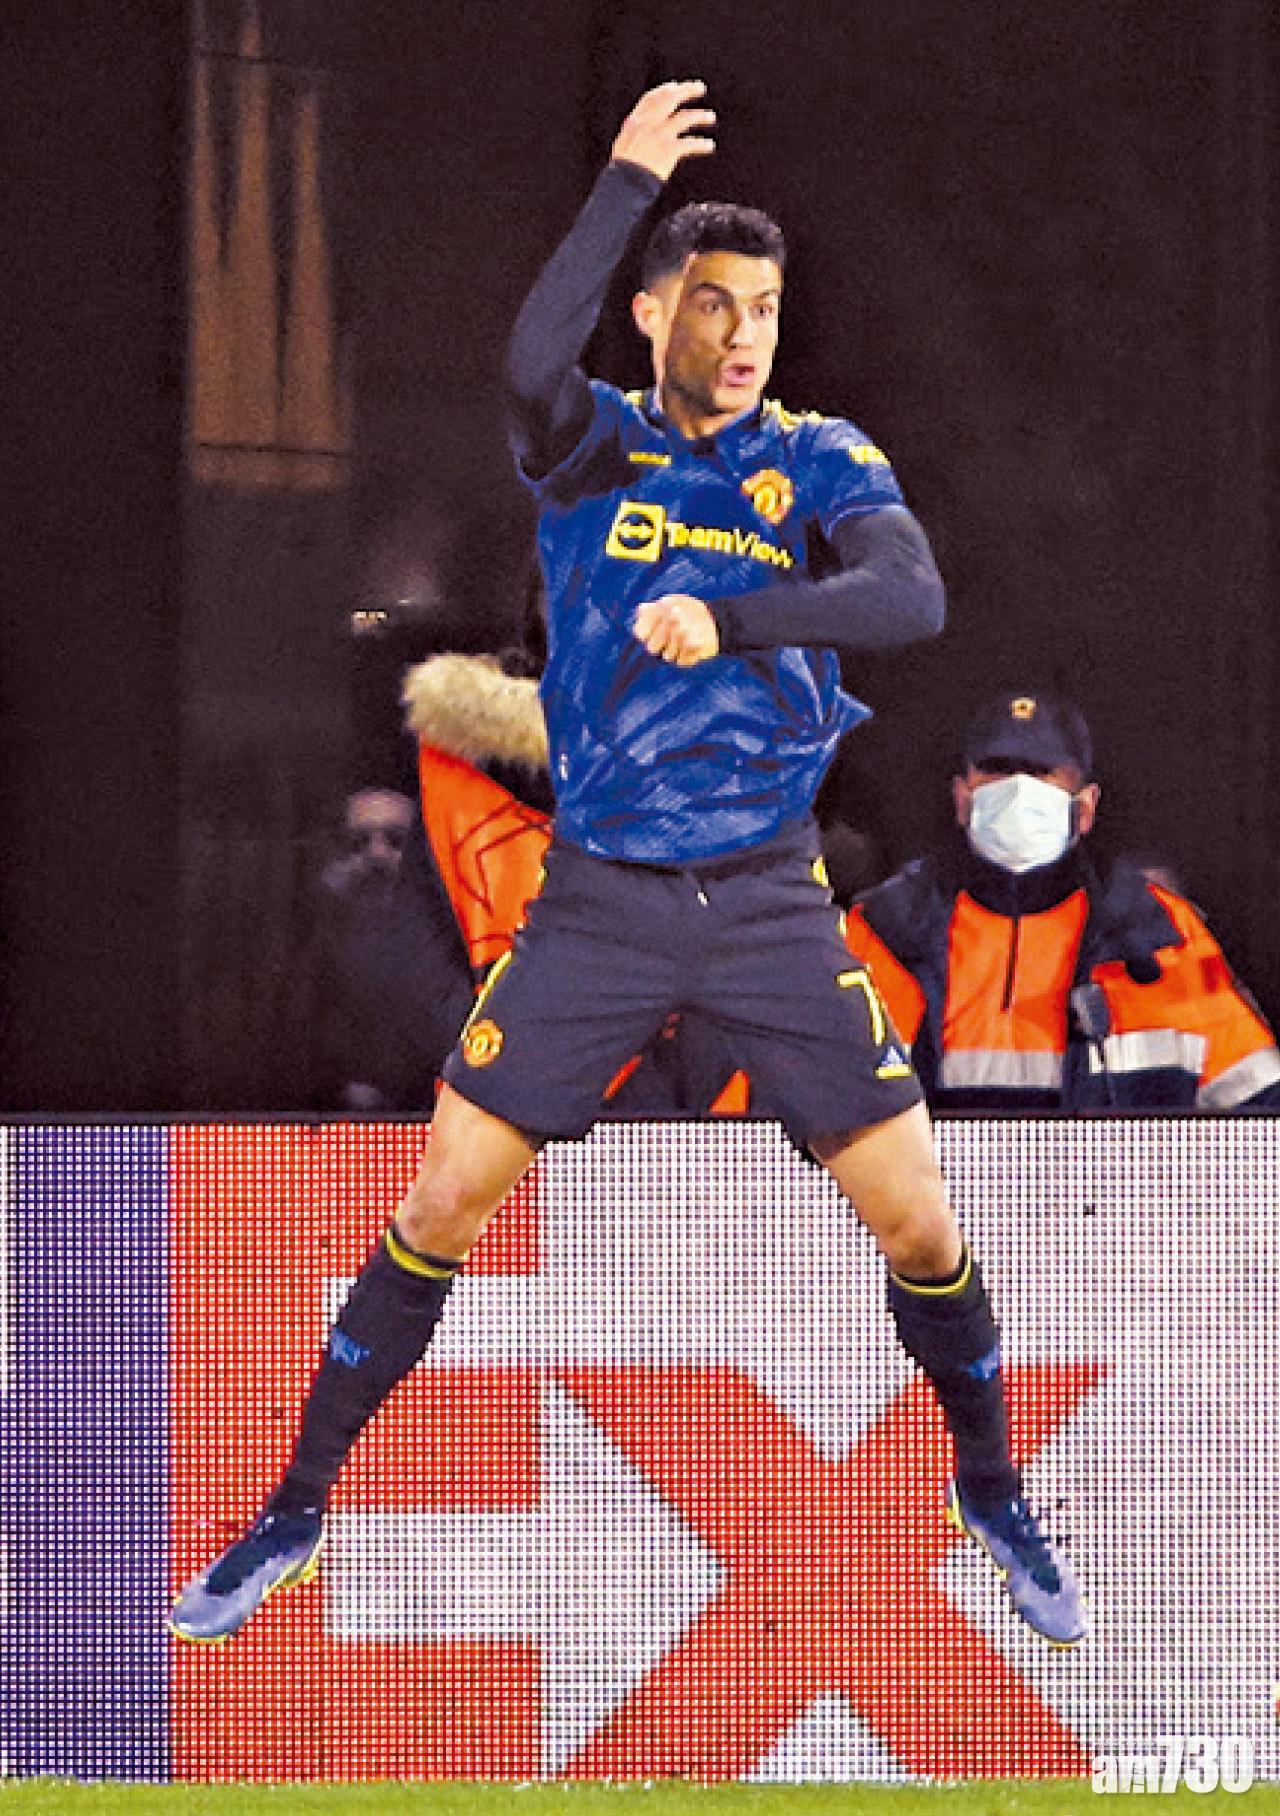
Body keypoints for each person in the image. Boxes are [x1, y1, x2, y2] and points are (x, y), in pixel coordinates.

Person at [171, 81, 1085, 1649]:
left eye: (768, 310)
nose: (745, 337)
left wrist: (732, 617)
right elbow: (531, 362)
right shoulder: (591, 446)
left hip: (770, 906)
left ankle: (993, 1493)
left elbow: (911, 599)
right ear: (654, 311)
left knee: (923, 1225)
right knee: (443, 1198)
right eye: (715, 303)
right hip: (599, 902)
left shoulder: (817, 459)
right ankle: (296, 1511)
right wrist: (619, 190)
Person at [844, 690, 1280, 1110]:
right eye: (997, 770)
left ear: (1085, 808)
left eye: (1041, 772)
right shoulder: (884, 930)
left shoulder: (1158, 933)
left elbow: (1258, 1107)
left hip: (1107, 1167)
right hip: (925, 1167)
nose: (1017, 788)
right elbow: (823, 1101)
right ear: (962, 799)